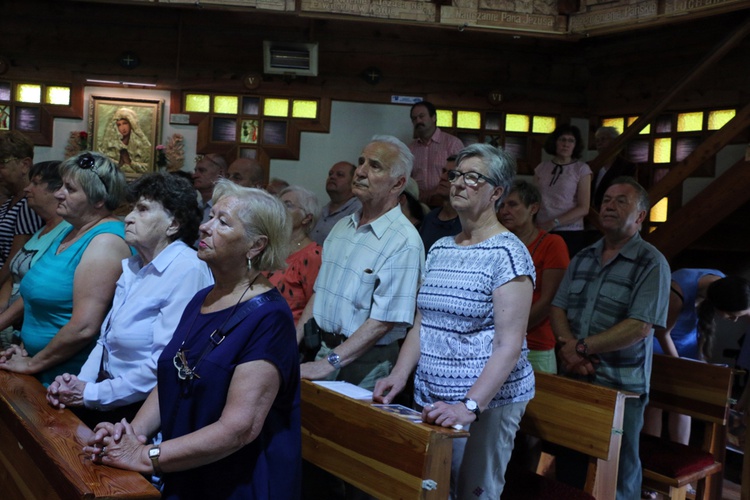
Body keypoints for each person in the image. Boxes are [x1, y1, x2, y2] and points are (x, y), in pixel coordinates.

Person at [84, 179, 300, 499]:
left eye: (222, 222)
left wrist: (147, 456)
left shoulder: (269, 317)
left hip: (238, 481)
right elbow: (175, 374)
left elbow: (239, 428)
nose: (204, 227)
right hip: (186, 468)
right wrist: (131, 434)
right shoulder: (203, 297)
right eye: (210, 216)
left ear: (256, 246)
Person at [374, 143, 535, 499]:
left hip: (486, 402)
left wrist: (470, 406)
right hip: (433, 396)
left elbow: (509, 346)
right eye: (456, 175)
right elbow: (423, 323)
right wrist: (399, 375)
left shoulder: (508, 253)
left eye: (474, 177)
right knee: (431, 488)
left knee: (473, 492)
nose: (459, 183)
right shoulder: (442, 248)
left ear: (496, 192)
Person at [46, 173, 214, 428]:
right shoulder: (136, 265)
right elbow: (105, 340)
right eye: (133, 208)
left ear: (173, 224)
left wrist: (90, 394)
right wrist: (80, 384)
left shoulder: (187, 270)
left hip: (146, 411)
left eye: (143, 209)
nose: (129, 218)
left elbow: (164, 363)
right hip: (111, 397)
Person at [550, 176, 670, 500]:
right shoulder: (584, 256)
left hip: (620, 385)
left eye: (621, 201)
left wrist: (581, 348)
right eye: (605, 200)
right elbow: (558, 306)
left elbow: (640, 326)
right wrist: (570, 349)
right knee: (570, 464)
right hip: (575, 375)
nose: (609, 206)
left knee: (617, 470)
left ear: (641, 215)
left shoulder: (651, 262)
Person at [297, 136, 423, 391]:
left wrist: (328, 364)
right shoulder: (342, 227)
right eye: (361, 162)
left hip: (366, 362)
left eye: (375, 166)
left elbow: (383, 322)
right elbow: (320, 294)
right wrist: (292, 343)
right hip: (323, 349)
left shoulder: (404, 241)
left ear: (398, 183)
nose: (361, 172)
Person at [0, 152, 132, 385]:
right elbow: (36, 294)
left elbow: (84, 327)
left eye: (70, 189)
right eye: (61, 186)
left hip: (65, 378)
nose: (59, 194)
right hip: (38, 364)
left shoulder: (105, 242)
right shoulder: (69, 229)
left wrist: (33, 362)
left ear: (98, 200)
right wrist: (24, 349)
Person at [643, 272, 750, 448]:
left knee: (685, 402)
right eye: (732, 316)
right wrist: (680, 368)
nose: (735, 320)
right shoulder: (678, 291)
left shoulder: (729, 288)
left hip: (688, 342)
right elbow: (663, 333)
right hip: (662, 342)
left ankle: (680, 452)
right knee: (656, 401)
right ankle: (653, 451)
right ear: (718, 305)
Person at [498, 179, 569, 373]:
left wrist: (510, 332)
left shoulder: (552, 243)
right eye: (502, 205)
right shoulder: (500, 244)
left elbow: (549, 300)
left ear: (533, 208)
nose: (505, 211)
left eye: (513, 204)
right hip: (497, 342)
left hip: (535, 343)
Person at [0, 161, 70, 349]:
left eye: (36, 183)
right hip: (15, 327)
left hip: (36, 331)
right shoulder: (41, 230)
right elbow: (14, 276)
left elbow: (34, 290)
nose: (27, 189)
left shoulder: (68, 232)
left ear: (57, 191)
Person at [266, 185, 322, 325]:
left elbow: (315, 305)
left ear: (306, 218)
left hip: (287, 334)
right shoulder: (270, 247)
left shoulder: (313, 255)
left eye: (287, 205)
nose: (279, 209)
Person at [534, 124, 592, 256]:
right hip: (541, 229)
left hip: (569, 231)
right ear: (555, 142)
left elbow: (584, 207)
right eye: (562, 139)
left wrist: (554, 223)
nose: (566, 144)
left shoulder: (581, 169)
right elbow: (534, 199)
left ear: (575, 145)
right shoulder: (542, 168)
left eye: (571, 140)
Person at [0, 131, 44, 297]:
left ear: (25, 164)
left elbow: (16, 259)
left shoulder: (29, 203)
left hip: (9, 291)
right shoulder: (10, 201)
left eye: (2, 163)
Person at [408, 101, 464, 208]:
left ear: (433, 117)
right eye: (414, 118)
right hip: (418, 205)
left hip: (445, 203)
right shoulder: (410, 149)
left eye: (421, 116)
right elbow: (407, 178)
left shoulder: (452, 143)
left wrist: (435, 192)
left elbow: (460, 175)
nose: (418, 121)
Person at [310, 161, 362, 246]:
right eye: (330, 174)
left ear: (353, 182)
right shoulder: (320, 210)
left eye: (340, 175)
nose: (332, 177)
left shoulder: (359, 211)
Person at [419, 155, 462, 255]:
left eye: (451, 175)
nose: (443, 177)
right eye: (443, 171)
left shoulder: (467, 223)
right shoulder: (430, 217)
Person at [591, 126, 637, 211]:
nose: (599, 143)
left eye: (603, 139)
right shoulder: (590, 165)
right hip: (588, 215)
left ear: (614, 141)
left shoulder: (627, 167)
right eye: (597, 140)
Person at [99, 107, 152, 174]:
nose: (122, 128)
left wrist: (130, 163)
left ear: (131, 124)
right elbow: (102, 165)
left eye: (125, 123)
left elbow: (149, 168)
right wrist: (119, 164)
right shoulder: (111, 145)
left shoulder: (142, 145)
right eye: (119, 125)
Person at [192, 153, 227, 224]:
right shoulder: (197, 207)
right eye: (195, 171)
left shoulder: (226, 208)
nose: (194, 176)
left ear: (220, 174)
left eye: (202, 170)